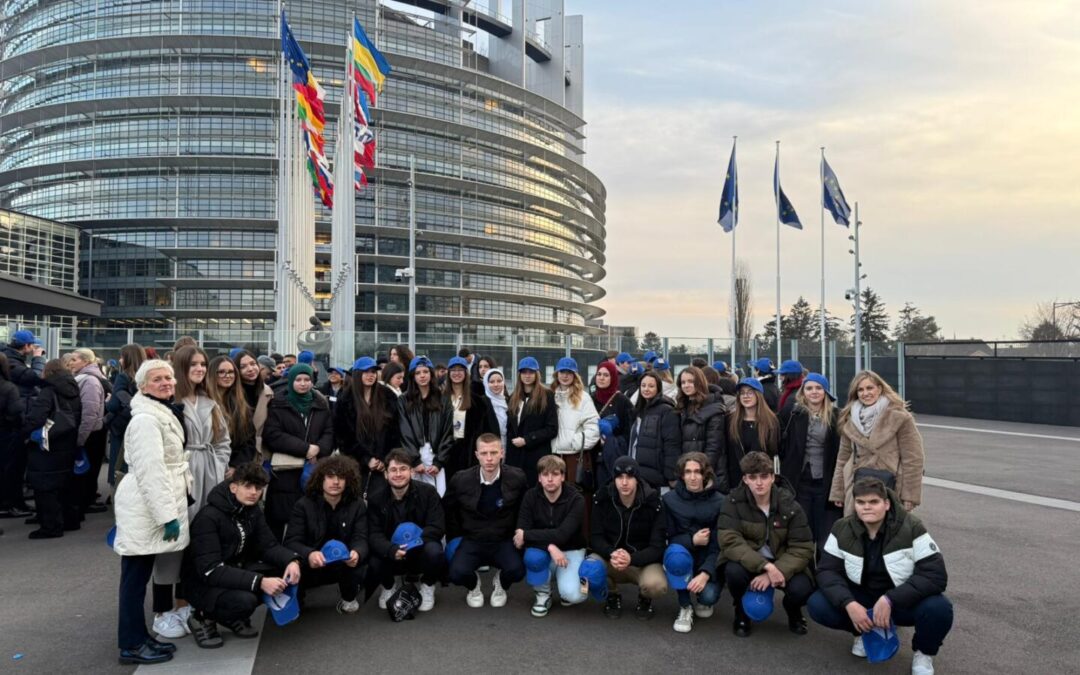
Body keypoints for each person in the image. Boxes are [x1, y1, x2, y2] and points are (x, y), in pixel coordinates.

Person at [808, 478, 952, 675]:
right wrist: (849, 604)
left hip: (899, 600)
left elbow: (935, 575)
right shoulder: (841, 528)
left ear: (886, 504)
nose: (866, 507)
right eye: (860, 502)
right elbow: (827, 571)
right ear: (855, 504)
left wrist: (890, 599)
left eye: (873, 502)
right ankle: (862, 631)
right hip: (862, 598)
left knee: (939, 608)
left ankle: (924, 653)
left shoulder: (912, 527)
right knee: (817, 604)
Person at [112, 359, 190, 665]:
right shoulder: (145, 420)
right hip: (148, 510)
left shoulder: (158, 411)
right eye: (157, 379)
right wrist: (166, 517)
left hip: (152, 507)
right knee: (134, 580)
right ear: (143, 386)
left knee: (137, 578)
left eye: (169, 378)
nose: (166, 383)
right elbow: (151, 472)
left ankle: (139, 637)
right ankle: (130, 644)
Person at [183, 463, 302, 648]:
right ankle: (202, 616)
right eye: (248, 486)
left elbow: (268, 546)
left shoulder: (251, 511)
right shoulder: (209, 517)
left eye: (258, 488)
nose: (254, 492)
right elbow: (211, 570)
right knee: (245, 601)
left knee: (285, 570)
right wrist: (260, 581)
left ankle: (231, 616)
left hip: (233, 569)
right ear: (233, 487)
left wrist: (292, 560)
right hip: (202, 583)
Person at [718, 451, 815, 638]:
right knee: (733, 572)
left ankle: (792, 609)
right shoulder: (732, 502)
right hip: (751, 561)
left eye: (764, 476)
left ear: (772, 477)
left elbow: (802, 547)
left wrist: (774, 572)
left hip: (782, 562)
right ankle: (741, 611)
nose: (759, 482)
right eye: (753, 477)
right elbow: (730, 541)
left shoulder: (790, 505)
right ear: (745, 479)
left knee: (802, 588)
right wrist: (766, 567)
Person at [444, 433, 528, 608]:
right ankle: (474, 585)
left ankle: (501, 583)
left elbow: (525, 509)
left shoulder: (517, 477)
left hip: (503, 540)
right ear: (476, 455)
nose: (489, 458)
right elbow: (448, 509)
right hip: (473, 539)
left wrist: (520, 532)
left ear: (502, 453)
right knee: (456, 574)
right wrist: (456, 537)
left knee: (518, 571)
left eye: (493, 452)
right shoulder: (461, 479)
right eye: (484, 453)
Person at [830, 371, 925, 515]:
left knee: (889, 532)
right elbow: (842, 458)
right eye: (860, 390)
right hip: (857, 486)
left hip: (891, 486)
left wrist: (910, 495)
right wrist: (838, 492)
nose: (865, 393)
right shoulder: (848, 420)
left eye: (870, 388)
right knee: (857, 532)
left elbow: (913, 458)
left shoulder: (900, 417)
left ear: (879, 389)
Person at [285, 455, 368, 614]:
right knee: (291, 562)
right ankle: (298, 598)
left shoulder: (357, 504)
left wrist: (357, 552)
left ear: (348, 480)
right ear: (320, 479)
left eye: (341, 477)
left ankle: (349, 596)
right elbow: (291, 542)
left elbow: (361, 537)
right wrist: (309, 555)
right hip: (313, 564)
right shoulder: (303, 505)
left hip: (344, 562)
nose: (336, 482)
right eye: (330, 477)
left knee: (364, 558)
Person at [367, 448, 446, 612]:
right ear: (386, 474)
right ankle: (389, 586)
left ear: (411, 471)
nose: (398, 474)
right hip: (392, 552)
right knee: (373, 558)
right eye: (393, 470)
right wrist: (391, 549)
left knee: (435, 551)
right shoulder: (375, 499)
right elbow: (374, 534)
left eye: (403, 469)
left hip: (420, 548)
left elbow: (437, 526)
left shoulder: (428, 492)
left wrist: (413, 543)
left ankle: (428, 585)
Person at [589, 456, 667, 620]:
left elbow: (657, 547)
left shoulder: (654, 502)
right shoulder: (601, 498)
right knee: (588, 572)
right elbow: (595, 538)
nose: (624, 482)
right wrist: (612, 553)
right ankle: (612, 594)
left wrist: (631, 558)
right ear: (614, 479)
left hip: (641, 561)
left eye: (629, 477)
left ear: (637, 479)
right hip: (611, 558)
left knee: (656, 586)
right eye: (619, 477)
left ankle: (645, 598)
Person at [263, 363, 334, 539]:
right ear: (291, 381)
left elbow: (329, 431)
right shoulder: (278, 404)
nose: (303, 383)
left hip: (313, 468)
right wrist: (305, 449)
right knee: (283, 517)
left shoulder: (320, 403)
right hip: (285, 472)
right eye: (298, 379)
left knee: (311, 517)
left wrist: (319, 449)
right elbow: (273, 435)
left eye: (307, 379)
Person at [515, 454, 587, 617]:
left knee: (573, 595)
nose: (550, 479)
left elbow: (562, 535)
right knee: (533, 557)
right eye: (545, 475)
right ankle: (543, 594)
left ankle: (564, 584)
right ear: (539, 478)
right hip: (544, 550)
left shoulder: (576, 499)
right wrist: (550, 546)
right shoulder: (530, 496)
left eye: (555, 474)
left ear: (562, 476)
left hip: (571, 549)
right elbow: (520, 535)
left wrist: (528, 535)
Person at [779, 373, 842, 554]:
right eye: (809, 388)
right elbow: (779, 443)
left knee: (826, 535)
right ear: (803, 391)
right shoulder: (792, 413)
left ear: (826, 391)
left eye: (818, 388)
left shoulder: (837, 416)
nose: (814, 392)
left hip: (826, 482)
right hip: (799, 482)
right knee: (802, 532)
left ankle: (825, 573)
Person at [663, 452, 725, 633]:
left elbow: (720, 544)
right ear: (681, 475)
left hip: (708, 559)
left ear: (705, 474)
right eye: (688, 472)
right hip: (682, 554)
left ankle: (702, 594)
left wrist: (706, 573)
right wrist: (692, 540)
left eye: (697, 472)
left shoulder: (721, 501)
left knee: (708, 596)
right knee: (676, 557)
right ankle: (684, 606)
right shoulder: (669, 500)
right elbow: (667, 538)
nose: (692, 477)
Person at [22, 359, 82, 538]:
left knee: (45, 486)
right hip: (67, 441)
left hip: (47, 443)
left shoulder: (48, 391)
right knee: (65, 483)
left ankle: (51, 526)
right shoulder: (73, 389)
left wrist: (26, 432)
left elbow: (36, 418)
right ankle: (71, 520)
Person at [334, 357, 399, 497]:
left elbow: (395, 432)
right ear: (357, 374)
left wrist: (384, 459)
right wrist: (366, 459)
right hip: (356, 465)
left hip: (384, 465)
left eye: (374, 372)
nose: (371, 375)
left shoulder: (388, 396)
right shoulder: (345, 400)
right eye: (366, 372)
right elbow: (344, 437)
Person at [0, 329, 44, 519]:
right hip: (11, 425)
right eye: (33, 346)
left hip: (11, 423)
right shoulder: (13, 363)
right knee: (13, 467)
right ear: (26, 346)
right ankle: (10, 504)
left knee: (14, 466)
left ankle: (14, 502)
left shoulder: (12, 360)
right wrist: (38, 360)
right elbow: (33, 378)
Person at [398, 356, 454, 486]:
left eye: (425, 372)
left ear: (431, 373)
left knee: (437, 495)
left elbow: (448, 431)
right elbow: (405, 431)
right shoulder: (404, 400)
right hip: (414, 456)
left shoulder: (443, 399)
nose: (422, 376)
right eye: (418, 373)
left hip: (436, 456)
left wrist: (439, 462)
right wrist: (415, 460)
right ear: (412, 376)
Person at [549, 357, 600, 495]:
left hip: (575, 458)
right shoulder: (550, 396)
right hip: (553, 456)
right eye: (562, 372)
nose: (565, 376)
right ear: (557, 374)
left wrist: (575, 442)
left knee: (576, 500)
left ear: (575, 375)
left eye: (569, 372)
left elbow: (594, 428)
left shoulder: (583, 398)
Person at [68, 348, 110, 514]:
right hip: (90, 432)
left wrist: (80, 438)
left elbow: (89, 412)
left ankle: (87, 501)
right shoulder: (85, 378)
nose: (71, 363)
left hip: (91, 433)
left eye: (74, 359)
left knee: (88, 470)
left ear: (86, 361)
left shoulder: (90, 381)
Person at [505, 357, 558, 486]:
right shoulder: (513, 397)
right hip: (516, 458)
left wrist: (527, 440)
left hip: (537, 455)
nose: (527, 375)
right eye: (524, 372)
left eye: (531, 372)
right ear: (519, 375)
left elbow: (552, 428)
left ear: (537, 374)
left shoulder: (547, 395)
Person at [676, 366, 729, 494]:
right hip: (689, 471)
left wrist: (702, 472)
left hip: (706, 473)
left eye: (690, 381)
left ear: (699, 382)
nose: (686, 385)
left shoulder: (712, 406)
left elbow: (714, 445)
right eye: (683, 382)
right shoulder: (684, 406)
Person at [443, 356, 496, 481]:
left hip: (470, 454)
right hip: (447, 453)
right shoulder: (441, 400)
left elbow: (488, 430)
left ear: (466, 373)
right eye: (453, 370)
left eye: (460, 370)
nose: (457, 373)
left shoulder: (478, 401)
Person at [628, 371, 682, 491]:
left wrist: (671, 475)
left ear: (658, 388)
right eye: (643, 385)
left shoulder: (667, 410)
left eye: (651, 386)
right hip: (638, 472)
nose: (646, 389)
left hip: (657, 476)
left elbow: (672, 444)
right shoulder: (638, 411)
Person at [105, 343, 146, 487]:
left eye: (122, 357)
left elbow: (114, 405)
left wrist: (108, 401)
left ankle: (117, 488)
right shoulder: (146, 376)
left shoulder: (124, 377)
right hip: (141, 425)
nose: (120, 360)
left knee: (119, 461)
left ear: (128, 358)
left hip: (122, 426)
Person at [725, 378, 779, 487]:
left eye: (750, 392)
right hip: (736, 479)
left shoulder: (771, 421)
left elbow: (775, 452)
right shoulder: (730, 420)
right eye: (742, 393)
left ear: (758, 395)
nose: (746, 396)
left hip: (761, 481)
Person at [206, 355, 257, 471]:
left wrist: (235, 466)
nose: (227, 376)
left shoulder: (241, 404)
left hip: (233, 469)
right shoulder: (204, 402)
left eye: (231, 372)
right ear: (213, 374)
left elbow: (249, 441)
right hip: (209, 465)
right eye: (221, 372)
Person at [233, 350, 274, 462]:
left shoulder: (268, 392)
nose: (250, 369)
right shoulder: (232, 394)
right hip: (237, 454)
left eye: (253, 364)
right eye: (243, 366)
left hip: (262, 452)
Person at [0, 353, 22, 534]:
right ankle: (7, 504)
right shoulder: (8, 387)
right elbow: (15, 412)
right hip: (5, 434)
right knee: (6, 472)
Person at [482, 367, 510, 449]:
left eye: (499, 381)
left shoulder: (509, 401)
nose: (496, 384)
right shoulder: (482, 402)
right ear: (486, 384)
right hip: (489, 448)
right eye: (491, 382)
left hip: (509, 448)